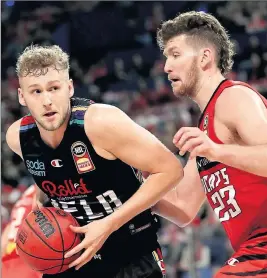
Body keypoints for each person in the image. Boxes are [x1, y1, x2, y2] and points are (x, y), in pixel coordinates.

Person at [6, 44, 183, 278]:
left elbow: (170, 171)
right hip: (70, 258)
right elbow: (51, 165)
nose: (47, 100)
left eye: (54, 88)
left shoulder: (100, 123)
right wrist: (41, 191)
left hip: (129, 254)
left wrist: (108, 224)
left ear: (69, 88)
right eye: (36, 92)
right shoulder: (18, 138)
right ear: (22, 96)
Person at [151, 11, 267, 277]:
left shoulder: (233, 97)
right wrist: (130, 183)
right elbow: (182, 209)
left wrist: (215, 150)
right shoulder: (206, 131)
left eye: (175, 54)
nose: (167, 66)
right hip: (260, 250)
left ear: (205, 57)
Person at [1, 184, 42, 278]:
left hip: (8, 265)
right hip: (31, 263)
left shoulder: (28, 193)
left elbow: (8, 230)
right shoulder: (48, 189)